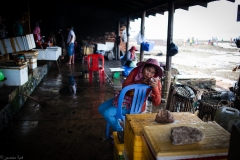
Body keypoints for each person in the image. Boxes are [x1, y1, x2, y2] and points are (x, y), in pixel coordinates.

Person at [98, 58, 163, 132]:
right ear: (143, 67)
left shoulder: (155, 81)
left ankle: (121, 132)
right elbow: (124, 87)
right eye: (148, 70)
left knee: (107, 113)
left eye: (152, 72)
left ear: (155, 74)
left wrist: (155, 88)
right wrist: (140, 81)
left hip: (135, 106)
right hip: (124, 98)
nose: (149, 74)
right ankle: (117, 123)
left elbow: (157, 103)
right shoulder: (136, 71)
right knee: (101, 108)